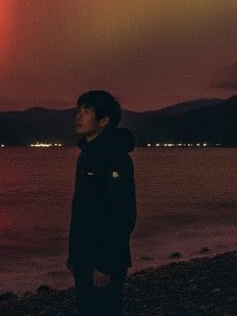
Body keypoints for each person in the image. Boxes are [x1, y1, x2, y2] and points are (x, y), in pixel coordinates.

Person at [66, 90, 137, 315]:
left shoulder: (116, 158)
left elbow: (123, 213)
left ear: (103, 120)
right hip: (84, 256)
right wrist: (74, 254)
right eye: (79, 111)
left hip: (105, 261)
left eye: (86, 112)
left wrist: (106, 263)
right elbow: (82, 209)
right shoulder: (86, 155)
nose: (79, 116)